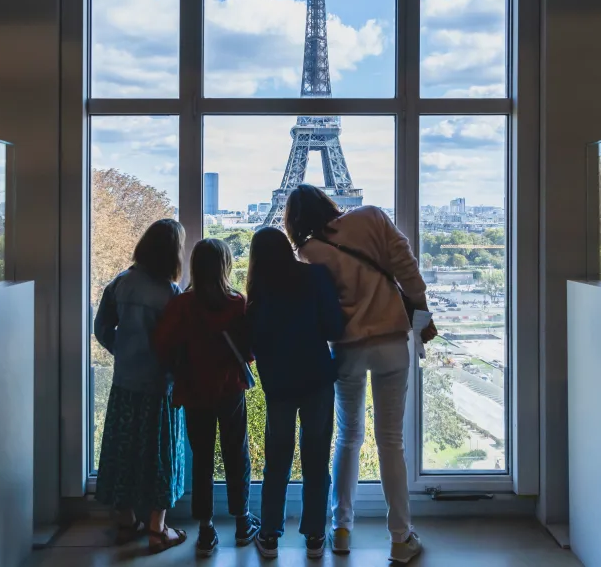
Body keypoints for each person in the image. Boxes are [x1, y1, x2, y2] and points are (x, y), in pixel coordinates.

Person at [284, 184, 437, 565]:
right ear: (328, 202)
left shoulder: (307, 251)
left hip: (347, 348)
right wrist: (422, 310)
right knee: (391, 442)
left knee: (348, 438)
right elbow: (407, 268)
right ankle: (400, 536)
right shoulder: (371, 217)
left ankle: (341, 529)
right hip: (390, 342)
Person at [152, 238, 261, 557]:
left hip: (194, 389)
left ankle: (205, 530)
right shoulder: (236, 302)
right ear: (225, 266)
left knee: (202, 460)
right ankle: (242, 523)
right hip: (229, 389)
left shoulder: (182, 305)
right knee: (236, 453)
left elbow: (161, 343)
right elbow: (248, 351)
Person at [245, 227, 345, 560]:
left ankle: (270, 534)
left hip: (279, 387)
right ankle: (315, 536)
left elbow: (251, 344)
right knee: (316, 460)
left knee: (277, 462)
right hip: (316, 379)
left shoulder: (259, 292)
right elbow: (334, 327)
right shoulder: (316, 277)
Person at [93, 219, 188, 554]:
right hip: (159, 385)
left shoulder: (121, 283)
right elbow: (178, 343)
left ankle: (125, 521)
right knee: (161, 456)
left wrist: (122, 350)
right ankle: (157, 528)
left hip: (125, 383)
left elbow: (101, 326)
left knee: (123, 452)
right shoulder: (170, 292)